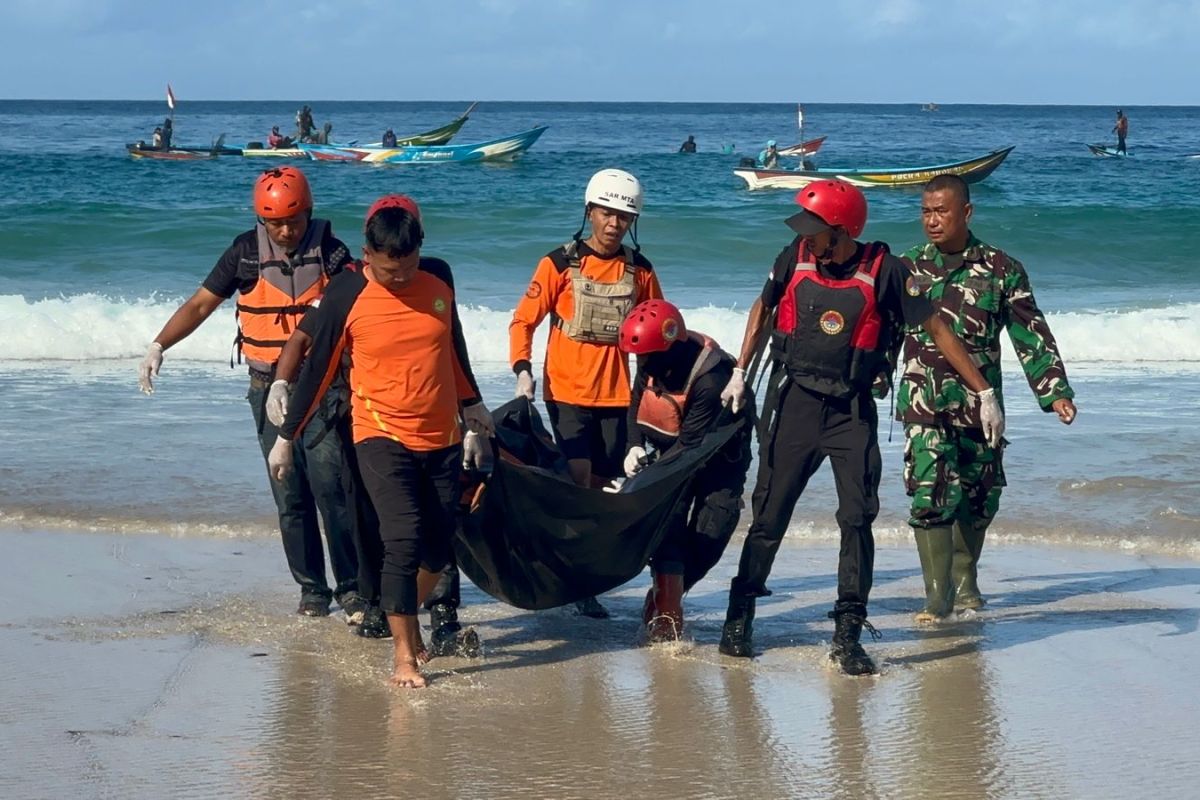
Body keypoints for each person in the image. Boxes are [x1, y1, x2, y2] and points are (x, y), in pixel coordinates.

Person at [716, 179, 1000, 676]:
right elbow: (763, 307)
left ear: (842, 230)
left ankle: (847, 636)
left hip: (851, 414)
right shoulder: (795, 255)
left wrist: (983, 392)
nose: (806, 237)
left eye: (815, 228)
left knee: (856, 520)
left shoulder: (886, 271)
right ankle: (738, 619)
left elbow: (935, 326)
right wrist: (741, 370)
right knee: (768, 516)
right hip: (796, 403)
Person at [273, 202, 492, 688]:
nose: (400, 277)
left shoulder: (438, 280)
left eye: (409, 265)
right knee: (403, 539)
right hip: (379, 432)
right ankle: (404, 659)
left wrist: (473, 404)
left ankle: (404, 621)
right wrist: (287, 436)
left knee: (438, 550)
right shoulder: (347, 290)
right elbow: (320, 368)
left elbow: (451, 347)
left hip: (441, 435)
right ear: (368, 252)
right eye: (390, 268)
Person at [137, 167, 363, 620]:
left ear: (309, 212)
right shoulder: (243, 253)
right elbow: (201, 303)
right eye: (274, 222)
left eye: (293, 221)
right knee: (290, 494)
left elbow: (359, 313)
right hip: (265, 390)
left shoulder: (333, 253)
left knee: (332, 487)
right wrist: (159, 345)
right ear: (261, 220)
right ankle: (312, 591)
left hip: (321, 389)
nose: (284, 230)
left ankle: (354, 590)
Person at [898, 174, 1077, 622]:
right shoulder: (907, 268)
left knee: (980, 497)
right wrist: (873, 379)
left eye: (941, 211)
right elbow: (883, 332)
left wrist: (1053, 390)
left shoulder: (1002, 269)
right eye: (926, 212)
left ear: (966, 212)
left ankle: (964, 578)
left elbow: (1030, 333)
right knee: (930, 492)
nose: (932, 221)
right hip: (924, 403)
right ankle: (937, 599)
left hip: (981, 407)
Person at [508, 168, 664, 617]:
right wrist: (522, 370)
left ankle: (593, 570)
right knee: (579, 482)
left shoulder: (641, 270)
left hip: (622, 398)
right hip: (568, 392)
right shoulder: (558, 263)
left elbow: (659, 331)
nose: (614, 224)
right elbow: (523, 321)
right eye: (607, 213)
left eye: (624, 217)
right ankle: (580, 585)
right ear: (590, 212)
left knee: (610, 488)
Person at [618, 300, 753, 642]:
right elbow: (635, 403)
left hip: (718, 463)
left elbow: (690, 445)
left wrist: (647, 479)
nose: (643, 363)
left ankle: (668, 596)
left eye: (648, 356)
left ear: (671, 346)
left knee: (711, 534)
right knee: (667, 527)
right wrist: (633, 445)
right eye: (639, 357)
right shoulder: (650, 359)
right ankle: (667, 614)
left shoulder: (710, 379)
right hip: (674, 452)